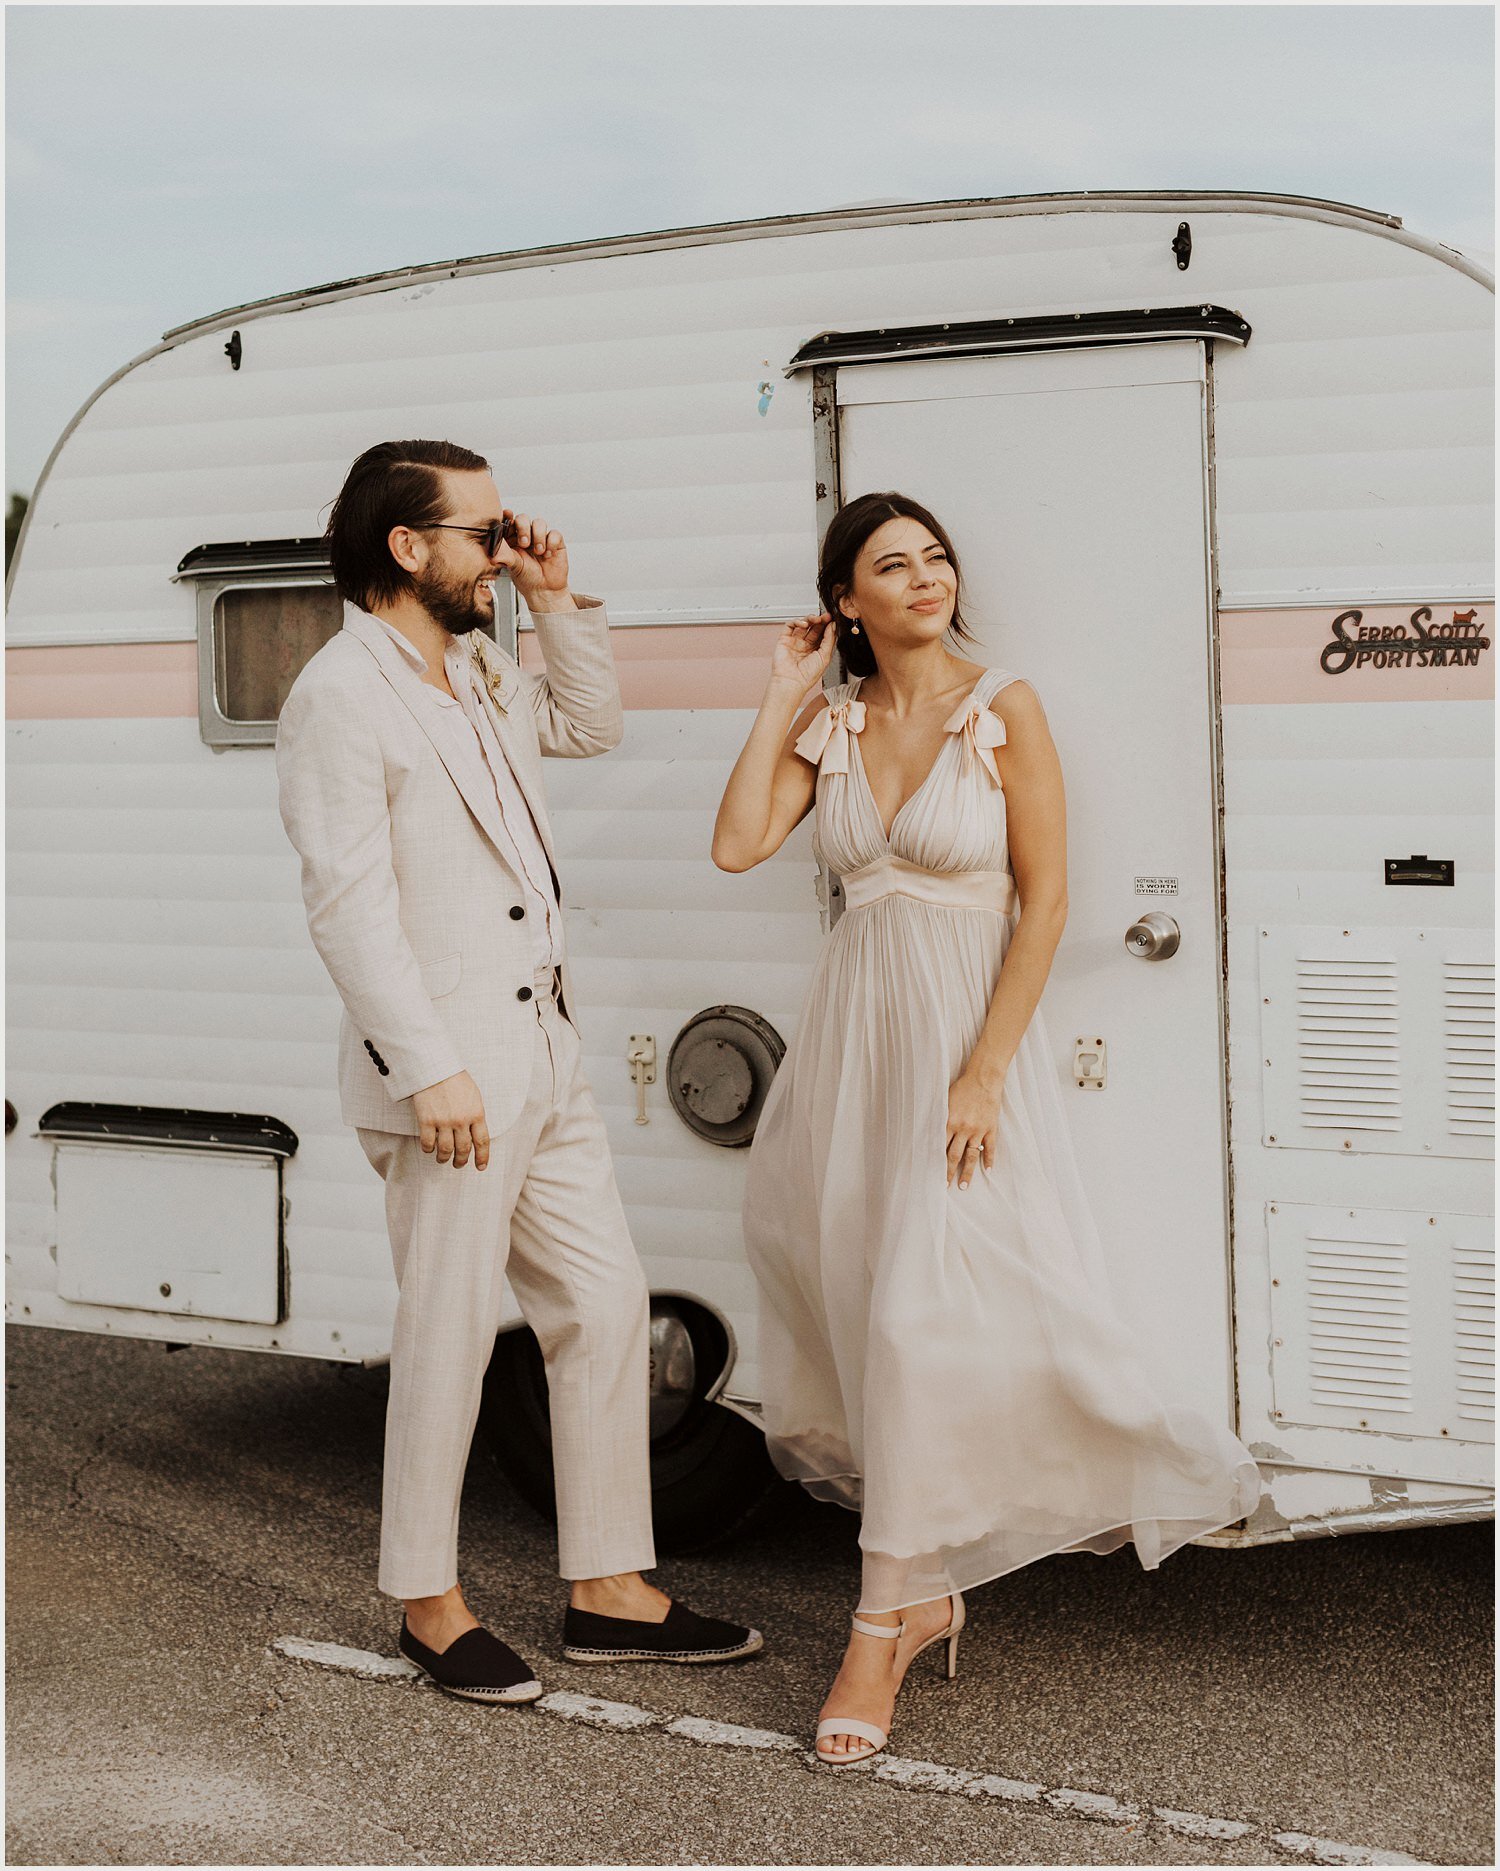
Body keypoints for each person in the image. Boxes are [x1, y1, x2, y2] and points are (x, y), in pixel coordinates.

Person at [712, 490, 1260, 1767]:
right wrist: (781, 695)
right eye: (891, 565)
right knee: (861, 1307)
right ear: (845, 599)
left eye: (938, 557)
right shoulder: (836, 720)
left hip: (964, 1047)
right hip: (854, 1046)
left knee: (917, 1316)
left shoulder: (1000, 704)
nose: (925, 578)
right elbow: (740, 843)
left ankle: (875, 1624)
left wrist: (985, 1071)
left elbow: (1049, 899)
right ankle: (925, 1597)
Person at [277, 439, 759, 1704]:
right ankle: (427, 1601)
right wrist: (426, 1068)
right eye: (482, 532)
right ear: (406, 547)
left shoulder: (481, 664)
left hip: (543, 1045)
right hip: (452, 1070)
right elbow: (346, 903)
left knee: (603, 1306)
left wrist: (550, 600)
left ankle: (608, 1588)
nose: (504, 544)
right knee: (446, 1334)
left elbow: (591, 727)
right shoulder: (343, 691)